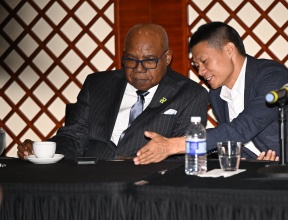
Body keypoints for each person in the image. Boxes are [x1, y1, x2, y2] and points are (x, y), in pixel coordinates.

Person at [133, 21, 288, 165]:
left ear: (229, 49)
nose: (200, 72)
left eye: (204, 62)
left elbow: (242, 129)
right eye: (196, 66)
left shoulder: (272, 76)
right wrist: (252, 162)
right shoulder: (218, 94)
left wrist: (173, 146)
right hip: (265, 174)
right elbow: (235, 142)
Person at [17, 23, 209, 160]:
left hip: (148, 186)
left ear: (167, 58)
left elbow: (182, 155)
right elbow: (73, 137)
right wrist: (43, 150)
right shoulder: (97, 84)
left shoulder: (190, 94)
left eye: (149, 60)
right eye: (131, 60)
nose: (139, 69)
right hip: (92, 181)